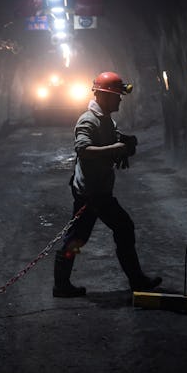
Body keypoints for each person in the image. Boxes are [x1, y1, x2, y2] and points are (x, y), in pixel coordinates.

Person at [53, 71, 162, 298]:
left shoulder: (105, 119)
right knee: (118, 229)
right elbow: (84, 150)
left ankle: (62, 284)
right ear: (103, 96)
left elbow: (108, 137)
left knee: (80, 238)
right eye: (117, 95)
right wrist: (117, 149)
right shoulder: (88, 120)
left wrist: (124, 140)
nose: (121, 99)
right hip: (91, 194)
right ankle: (136, 281)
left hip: (97, 191)